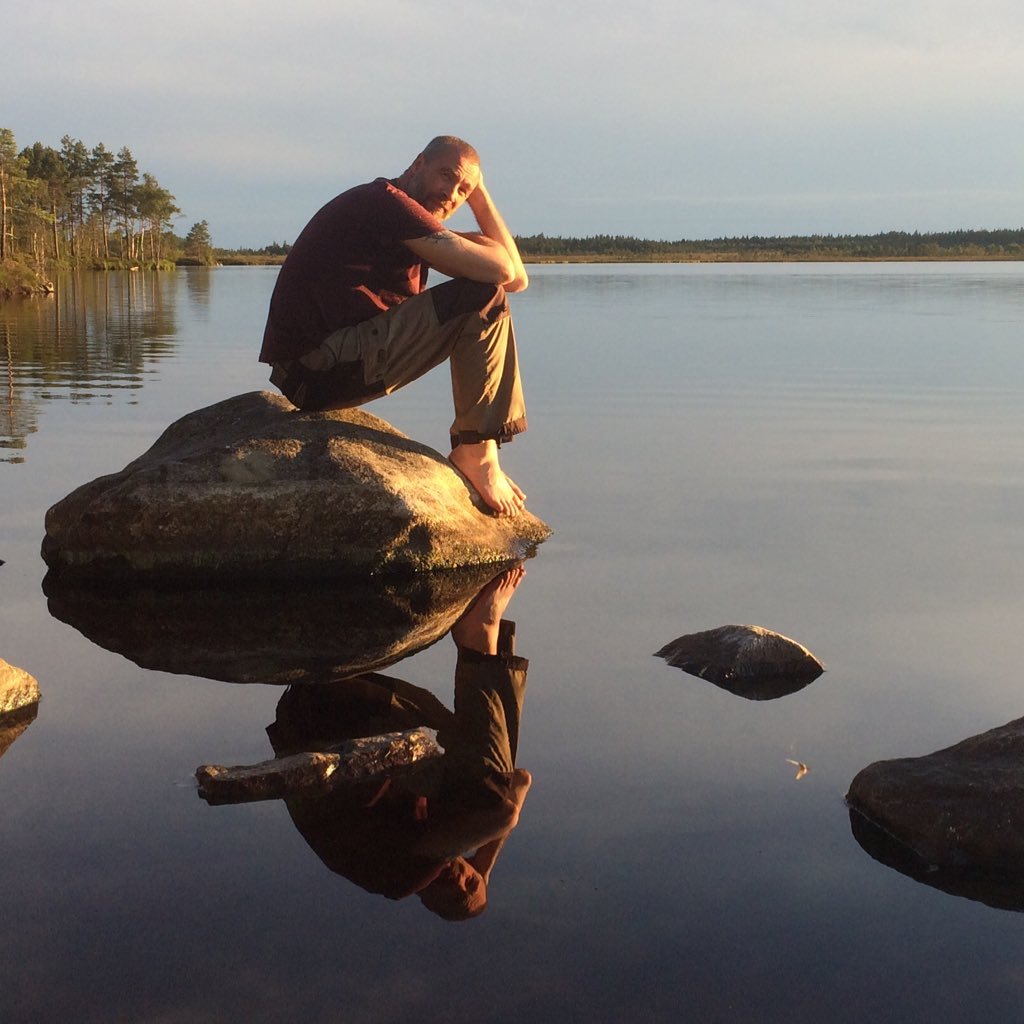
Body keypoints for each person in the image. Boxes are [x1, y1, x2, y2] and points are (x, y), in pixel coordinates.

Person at [259, 135, 530, 517]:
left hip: (321, 370)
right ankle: (477, 454)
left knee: (489, 290)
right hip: (320, 367)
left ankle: (479, 452)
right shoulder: (386, 203)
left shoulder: (411, 222)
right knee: (482, 299)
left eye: (463, 189)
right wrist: (475, 192)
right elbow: (502, 275)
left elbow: (517, 278)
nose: (452, 193)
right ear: (418, 163)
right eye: (446, 176)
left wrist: (479, 192)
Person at [270, 565, 531, 921]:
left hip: (321, 726)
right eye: (471, 885)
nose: (459, 886)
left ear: (425, 901)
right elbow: (521, 781)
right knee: (485, 772)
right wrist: (482, 865)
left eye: (452, 898)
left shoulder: (399, 879)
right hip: (340, 720)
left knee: (487, 792)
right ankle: (482, 640)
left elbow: (505, 811)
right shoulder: (440, 836)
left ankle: (481, 639)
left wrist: (482, 861)